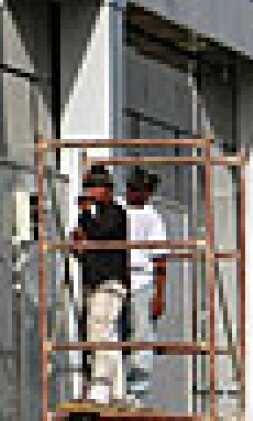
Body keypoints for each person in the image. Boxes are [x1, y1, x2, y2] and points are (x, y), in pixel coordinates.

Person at [72, 165, 129, 405]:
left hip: (110, 282)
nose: (92, 192)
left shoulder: (115, 213)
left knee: (100, 331)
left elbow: (101, 233)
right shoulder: (93, 216)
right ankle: (115, 389)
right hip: (96, 281)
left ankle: (99, 387)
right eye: (89, 186)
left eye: (96, 187)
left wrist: (85, 215)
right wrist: (79, 245)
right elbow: (89, 246)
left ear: (107, 189)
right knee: (107, 335)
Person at [118, 166, 169, 405]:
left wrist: (159, 294)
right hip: (116, 280)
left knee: (142, 338)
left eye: (141, 189)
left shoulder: (152, 217)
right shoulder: (118, 208)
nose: (135, 193)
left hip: (141, 282)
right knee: (113, 335)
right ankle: (112, 387)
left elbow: (160, 259)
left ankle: (137, 391)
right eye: (132, 188)